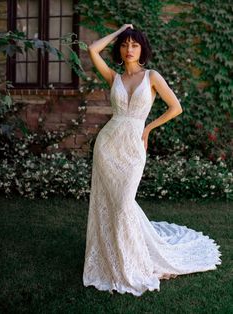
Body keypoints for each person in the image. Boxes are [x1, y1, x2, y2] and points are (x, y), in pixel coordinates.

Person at [82, 24, 222, 297]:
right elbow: (91, 49)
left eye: (134, 45)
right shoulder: (114, 77)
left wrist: (148, 128)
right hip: (108, 146)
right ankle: (115, 259)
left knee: (124, 203)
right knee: (111, 205)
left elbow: (175, 107)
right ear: (120, 50)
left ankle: (134, 259)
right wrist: (121, 30)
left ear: (142, 49)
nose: (129, 49)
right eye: (125, 45)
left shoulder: (152, 76)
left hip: (134, 146)